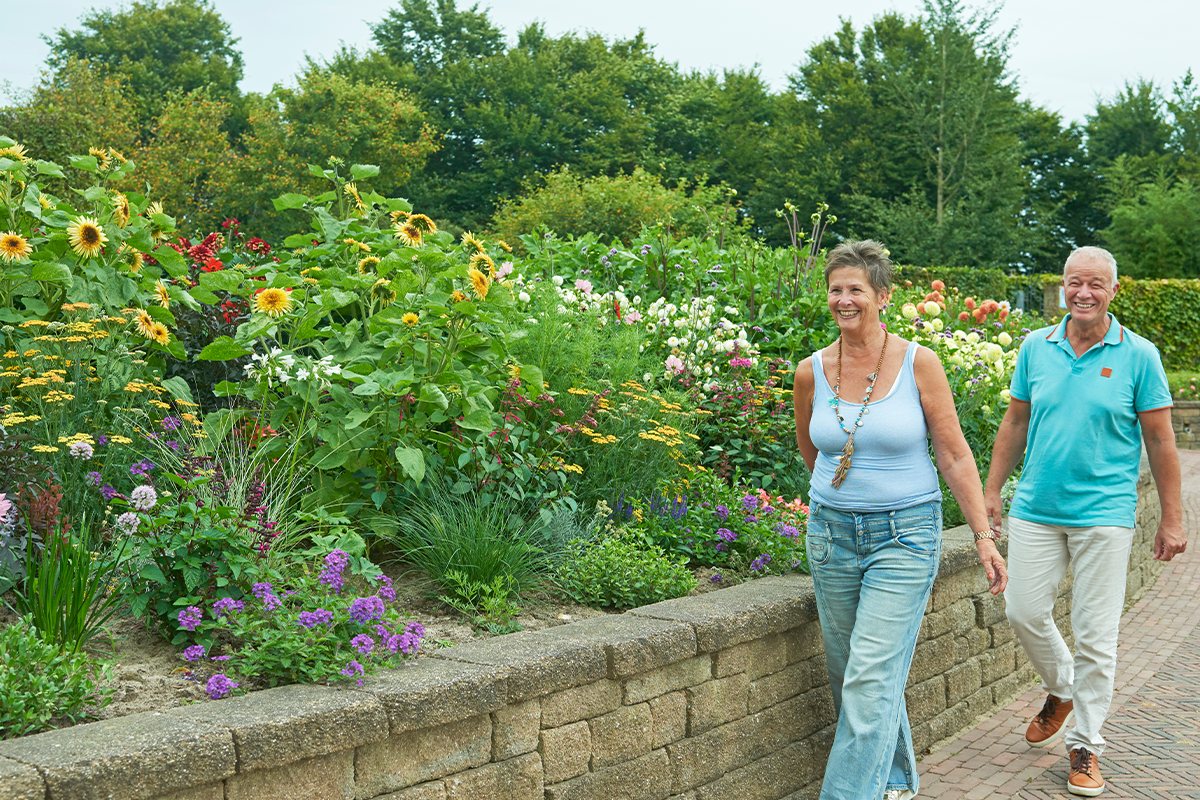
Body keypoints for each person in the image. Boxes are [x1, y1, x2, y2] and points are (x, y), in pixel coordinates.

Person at [793, 240, 1007, 800]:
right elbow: (811, 449)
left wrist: (982, 536)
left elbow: (955, 454)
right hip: (832, 537)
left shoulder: (919, 362)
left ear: (882, 296)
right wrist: (842, 497)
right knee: (853, 676)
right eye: (836, 289)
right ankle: (893, 783)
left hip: (905, 536)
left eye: (856, 289)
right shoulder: (810, 371)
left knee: (868, 681)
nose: (844, 300)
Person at [983, 245, 1186, 797]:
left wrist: (1173, 517)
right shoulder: (1035, 347)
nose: (1084, 293)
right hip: (1037, 509)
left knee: (1097, 637)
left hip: (1104, 514)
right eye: (1075, 283)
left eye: (1096, 284)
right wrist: (991, 490)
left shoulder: (1139, 355)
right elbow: (1015, 421)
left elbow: (1162, 441)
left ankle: (1085, 746)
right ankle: (1063, 687)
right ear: (1063, 287)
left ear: (1113, 291)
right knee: (1023, 610)